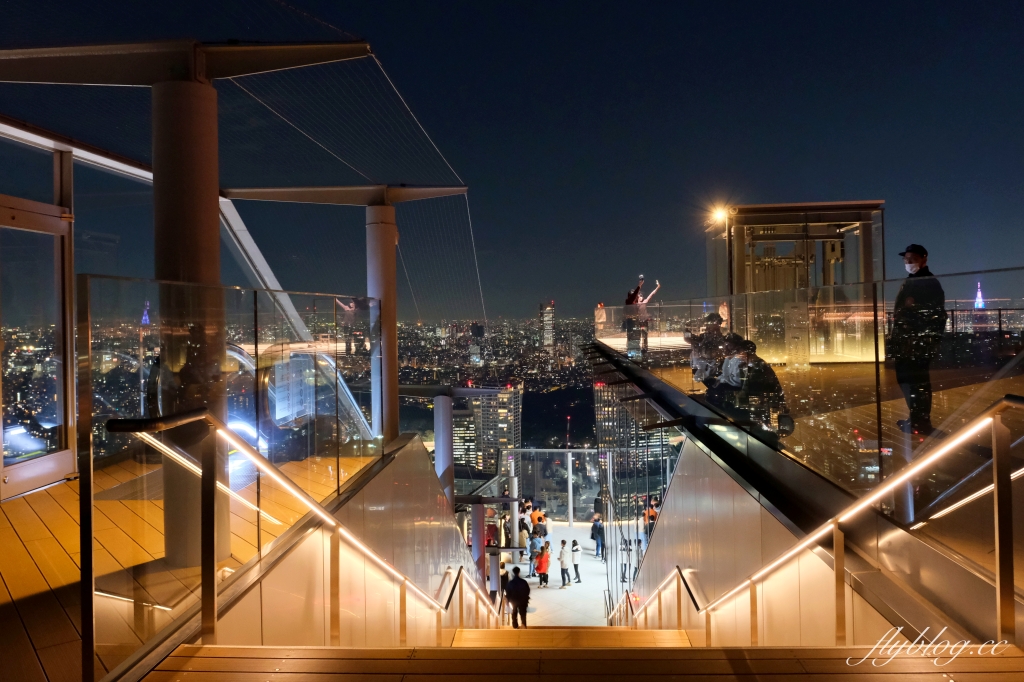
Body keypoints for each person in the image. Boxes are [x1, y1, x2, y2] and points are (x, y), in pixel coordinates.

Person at [890, 244, 947, 435]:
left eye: (912, 259)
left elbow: (933, 314)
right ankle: (917, 419)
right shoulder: (914, 281)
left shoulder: (927, 283)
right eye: (906, 259)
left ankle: (921, 422)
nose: (907, 263)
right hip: (909, 342)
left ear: (924, 260)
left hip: (916, 343)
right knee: (910, 380)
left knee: (916, 381)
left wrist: (907, 316)